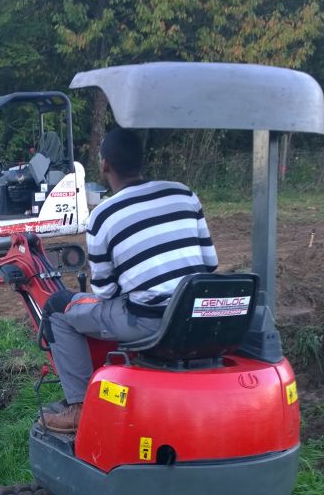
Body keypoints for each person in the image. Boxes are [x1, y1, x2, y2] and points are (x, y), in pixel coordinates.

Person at [42, 125, 218, 434]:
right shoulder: (183, 192)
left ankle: (80, 407)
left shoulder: (103, 215)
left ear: (105, 164)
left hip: (152, 322)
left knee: (58, 308)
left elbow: (106, 291)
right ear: (141, 160)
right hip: (196, 315)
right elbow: (210, 264)